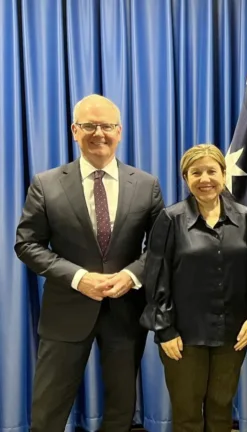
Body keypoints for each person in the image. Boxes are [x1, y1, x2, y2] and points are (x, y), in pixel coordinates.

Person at [14, 94, 164, 431]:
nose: (99, 133)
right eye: (89, 125)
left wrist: (131, 276)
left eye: (107, 126)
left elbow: (159, 248)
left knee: (121, 410)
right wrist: (78, 277)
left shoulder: (146, 184)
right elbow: (27, 243)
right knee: (48, 410)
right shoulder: (46, 184)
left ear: (120, 131)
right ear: (74, 130)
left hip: (125, 312)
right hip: (65, 311)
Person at [139, 144, 247, 432]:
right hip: (183, 337)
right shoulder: (170, 219)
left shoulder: (244, 217)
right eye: (196, 172)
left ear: (224, 174)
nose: (205, 178)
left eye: (212, 171)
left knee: (221, 410)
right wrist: (165, 330)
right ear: (186, 178)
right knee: (187, 415)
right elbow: (155, 277)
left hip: (232, 333)